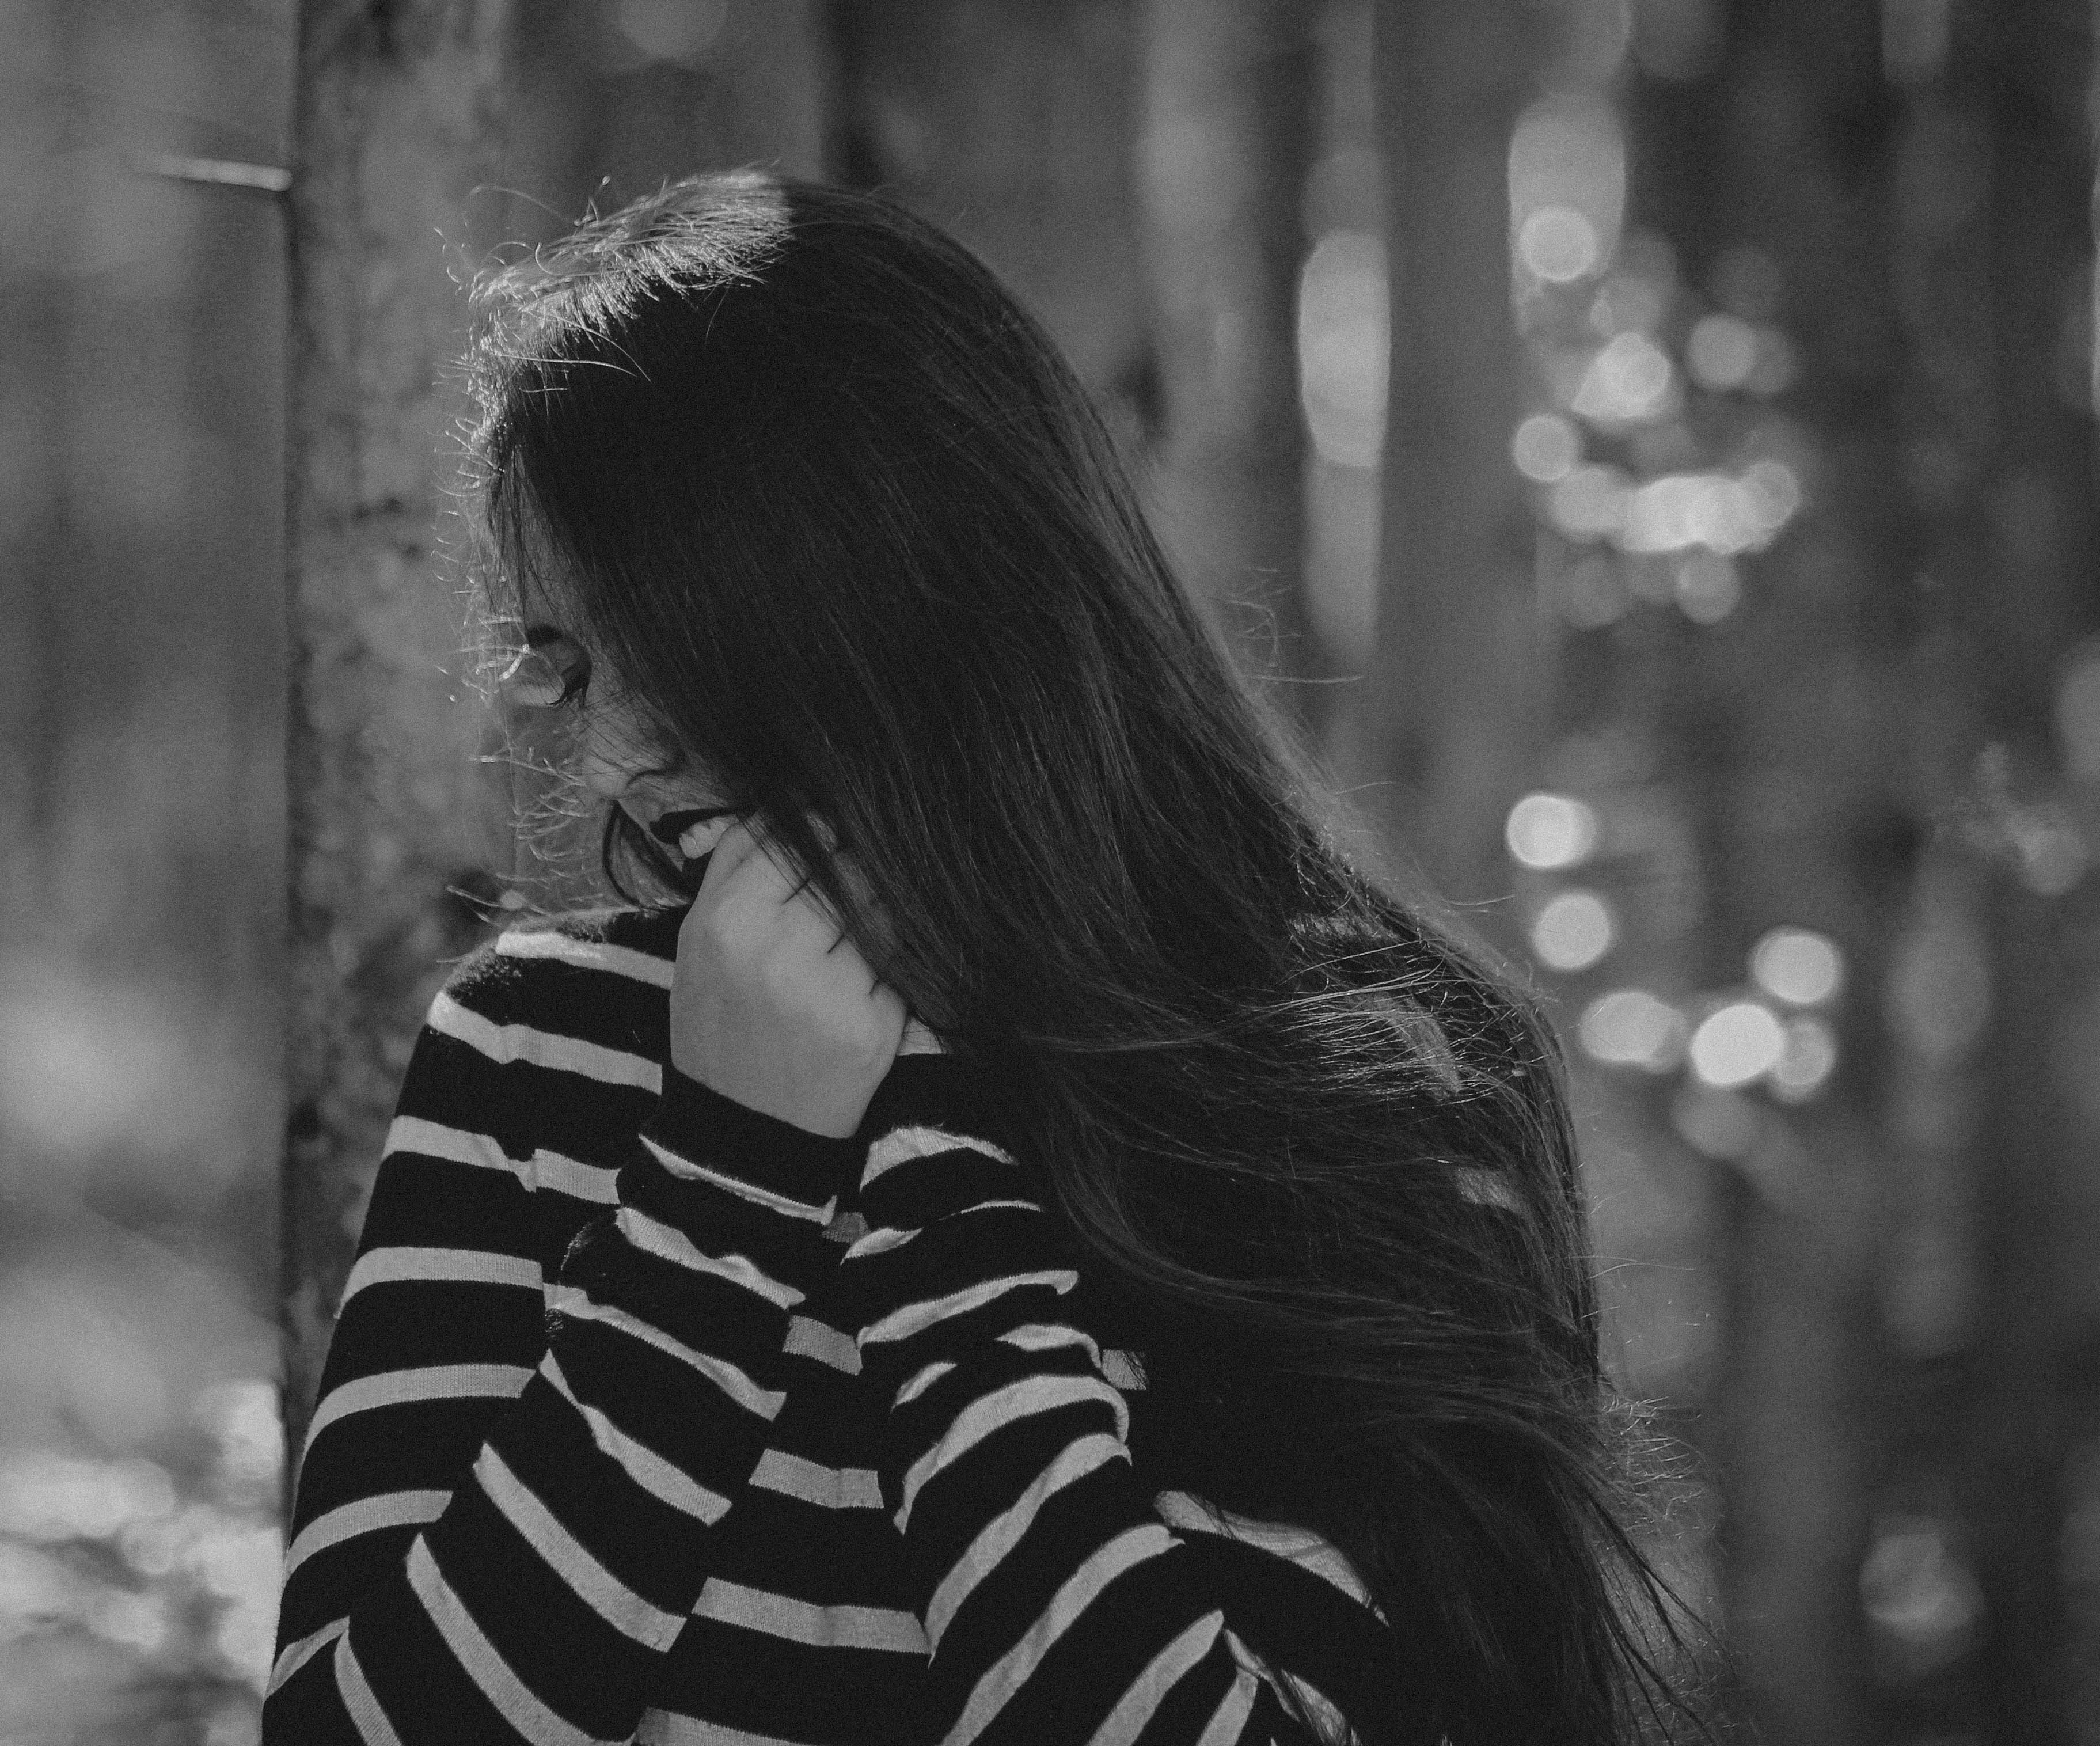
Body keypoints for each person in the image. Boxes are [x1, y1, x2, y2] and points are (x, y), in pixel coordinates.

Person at [264, 173, 1702, 1746]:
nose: (607, 760)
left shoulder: (1378, 1099)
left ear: (890, 611)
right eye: (563, 659)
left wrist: (919, 1154)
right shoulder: (536, 1060)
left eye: (665, 650)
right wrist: (720, 1187)